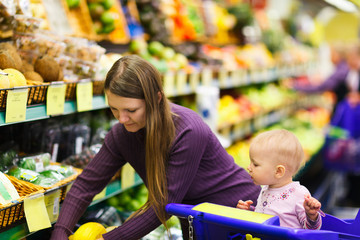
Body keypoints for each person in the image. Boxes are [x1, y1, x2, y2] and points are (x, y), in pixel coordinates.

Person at [50, 55, 261, 240]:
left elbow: (164, 202)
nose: (122, 119)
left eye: (131, 110)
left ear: (156, 99)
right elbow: (85, 185)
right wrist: (61, 230)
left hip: (241, 215)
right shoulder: (121, 135)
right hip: (198, 223)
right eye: (114, 109)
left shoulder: (188, 131)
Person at [236, 129, 323, 229]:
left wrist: (311, 215)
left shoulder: (299, 194)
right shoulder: (265, 189)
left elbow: (311, 230)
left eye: (255, 164)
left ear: (278, 171)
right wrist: (250, 210)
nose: (249, 167)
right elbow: (266, 214)